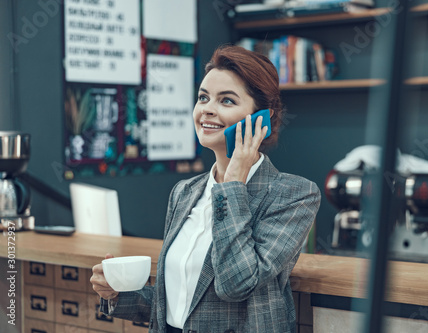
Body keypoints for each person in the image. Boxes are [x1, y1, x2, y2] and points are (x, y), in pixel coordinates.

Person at [90, 45, 321, 333]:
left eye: (226, 100)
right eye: (203, 97)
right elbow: (179, 304)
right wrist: (116, 294)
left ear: (262, 117)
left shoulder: (294, 194)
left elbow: (236, 284)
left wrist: (233, 183)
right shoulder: (184, 192)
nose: (207, 109)